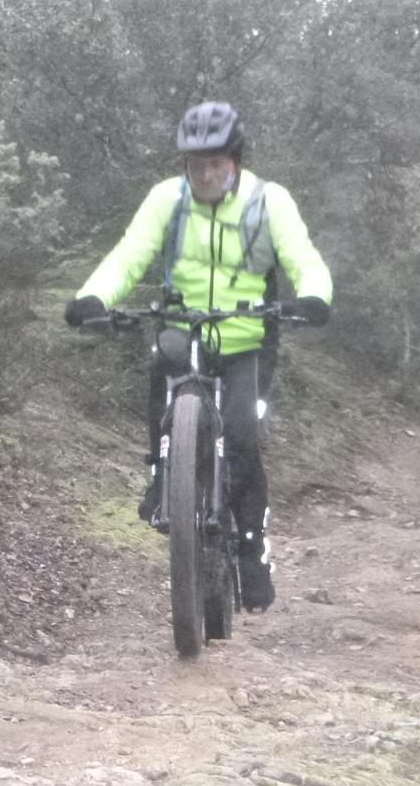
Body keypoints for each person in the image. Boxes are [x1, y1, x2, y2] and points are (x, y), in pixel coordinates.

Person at [64, 101, 332, 611]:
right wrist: (93, 296)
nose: (205, 175)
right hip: (183, 329)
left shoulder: (269, 201)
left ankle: (252, 548)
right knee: (162, 374)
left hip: (247, 338)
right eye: (195, 165)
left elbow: (303, 257)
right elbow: (129, 254)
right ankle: (162, 475)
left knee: (244, 435)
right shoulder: (167, 199)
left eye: (216, 164)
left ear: (236, 161)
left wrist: (314, 297)